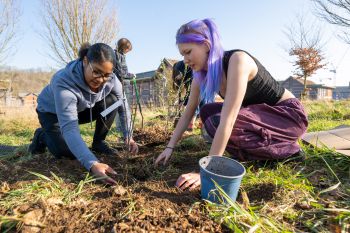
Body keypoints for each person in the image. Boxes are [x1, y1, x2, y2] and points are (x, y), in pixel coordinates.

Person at [155, 19, 308, 190]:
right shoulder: (200, 74)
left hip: (288, 117)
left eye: (188, 52)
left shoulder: (237, 60)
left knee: (220, 120)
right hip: (259, 118)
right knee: (208, 112)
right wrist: (169, 147)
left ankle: (289, 151)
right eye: (182, 54)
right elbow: (189, 110)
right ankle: (260, 154)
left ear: (206, 45)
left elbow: (229, 120)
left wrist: (206, 171)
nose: (185, 60)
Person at [28, 42, 138, 185]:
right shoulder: (64, 82)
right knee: (65, 151)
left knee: (113, 101)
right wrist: (92, 163)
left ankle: (99, 142)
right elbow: (70, 128)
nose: (100, 79)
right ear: (85, 61)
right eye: (96, 72)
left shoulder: (111, 79)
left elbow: (122, 104)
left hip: (82, 108)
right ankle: (42, 136)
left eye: (106, 75)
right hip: (53, 113)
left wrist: (128, 136)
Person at [172, 60, 203, 131]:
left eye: (178, 76)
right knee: (198, 103)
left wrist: (184, 102)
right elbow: (182, 91)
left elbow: (191, 94)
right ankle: (200, 125)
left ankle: (194, 125)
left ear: (182, 71)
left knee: (201, 103)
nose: (177, 78)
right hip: (198, 90)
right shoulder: (185, 76)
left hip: (203, 88)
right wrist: (181, 101)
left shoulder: (193, 76)